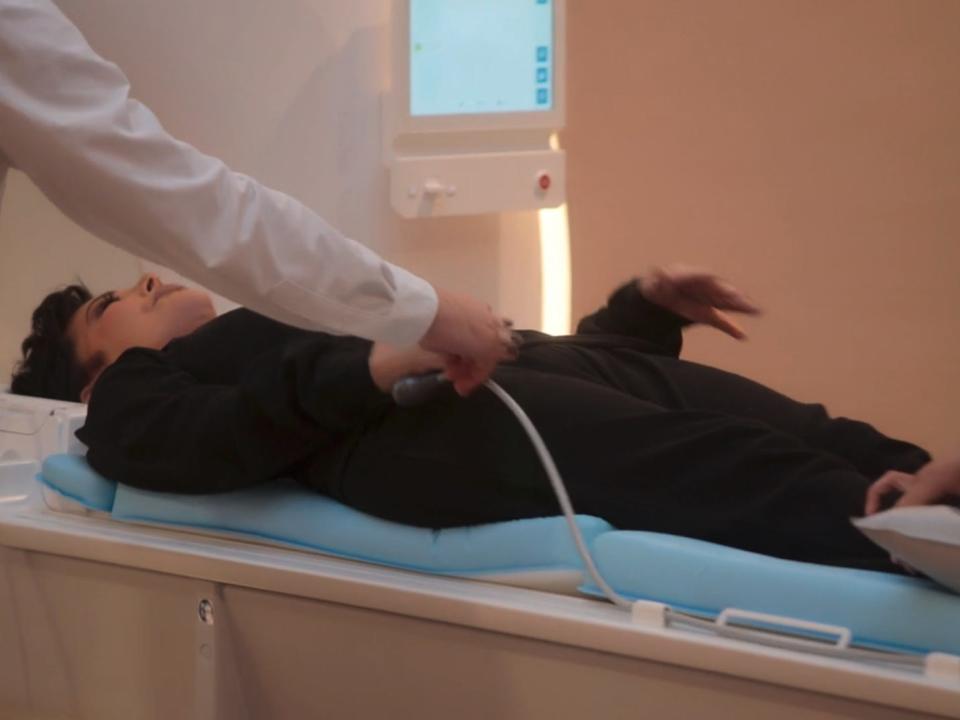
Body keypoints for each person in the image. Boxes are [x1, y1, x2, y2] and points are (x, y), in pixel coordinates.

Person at [11, 265, 939, 574]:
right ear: (94, 379)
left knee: (840, 439)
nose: (144, 279)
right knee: (751, 472)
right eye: (114, 306)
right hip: (436, 432)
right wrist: (369, 364)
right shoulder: (139, 392)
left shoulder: (274, 304)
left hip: (550, 376)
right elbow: (191, 443)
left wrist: (640, 313)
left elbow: (534, 358)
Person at [0, 0, 512, 394]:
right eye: (107, 304)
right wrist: (413, 326)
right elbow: (197, 209)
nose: (147, 279)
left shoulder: (256, 341)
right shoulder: (188, 413)